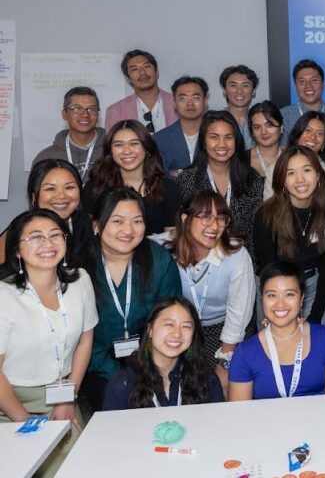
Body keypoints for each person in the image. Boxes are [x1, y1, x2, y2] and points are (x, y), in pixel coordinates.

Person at [0, 210, 96, 477]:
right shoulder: (4, 296)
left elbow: (85, 340)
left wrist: (68, 397)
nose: (47, 244)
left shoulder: (80, 281)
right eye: (35, 237)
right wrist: (26, 421)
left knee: (81, 467)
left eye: (55, 235)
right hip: (10, 403)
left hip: (63, 394)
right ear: (17, 251)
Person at [81, 188, 182, 411]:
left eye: (137, 221)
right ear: (96, 225)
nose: (128, 230)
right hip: (96, 365)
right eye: (117, 221)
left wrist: (144, 369)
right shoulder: (80, 266)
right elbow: (79, 334)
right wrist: (117, 375)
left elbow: (171, 319)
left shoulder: (159, 261)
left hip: (154, 360)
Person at [169, 192, 255, 388]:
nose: (214, 226)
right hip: (184, 329)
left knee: (224, 386)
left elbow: (238, 313)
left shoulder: (236, 256)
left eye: (221, 218)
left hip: (225, 329)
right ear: (185, 219)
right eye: (206, 217)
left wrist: (225, 360)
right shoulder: (166, 251)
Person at [228, 261, 325, 399]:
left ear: (301, 299)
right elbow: (241, 415)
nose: (280, 304)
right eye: (272, 295)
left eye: (289, 294)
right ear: (262, 299)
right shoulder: (245, 353)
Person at [254, 147, 325, 324]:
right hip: (276, 287)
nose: (300, 179)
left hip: (315, 286)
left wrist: (315, 316)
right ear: (282, 181)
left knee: (315, 343)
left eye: (307, 170)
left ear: (318, 175)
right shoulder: (266, 215)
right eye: (291, 173)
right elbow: (268, 266)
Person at [102, 296, 224, 409]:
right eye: (169, 324)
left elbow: (217, 426)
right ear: (150, 329)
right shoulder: (123, 384)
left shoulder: (206, 378)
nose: (177, 333)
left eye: (186, 326)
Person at [177, 111, 264, 257]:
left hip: (243, 262)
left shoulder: (252, 179)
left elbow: (257, 232)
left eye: (228, 137)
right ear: (204, 142)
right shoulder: (187, 180)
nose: (222, 144)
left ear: (236, 141)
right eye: (214, 137)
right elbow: (183, 230)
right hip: (199, 262)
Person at [83, 120, 181, 236]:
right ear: (110, 151)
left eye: (134, 143)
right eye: (118, 145)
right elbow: (87, 234)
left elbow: (172, 239)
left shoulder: (169, 189)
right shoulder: (95, 187)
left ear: (147, 148)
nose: (127, 151)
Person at [0, 160, 93, 268]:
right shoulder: (20, 230)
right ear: (34, 195)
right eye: (50, 189)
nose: (61, 196)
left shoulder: (88, 225)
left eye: (69, 187)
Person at [33, 86, 104, 185]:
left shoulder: (112, 151)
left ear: (98, 114)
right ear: (64, 114)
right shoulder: (46, 157)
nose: (85, 114)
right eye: (77, 108)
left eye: (92, 109)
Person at [277, 111, 325, 211]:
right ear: (297, 134)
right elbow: (271, 214)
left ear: (324, 143)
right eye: (308, 130)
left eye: (320, 133)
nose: (313, 137)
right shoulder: (276, 168)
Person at [104, 50, 177, 132]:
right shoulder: (115, 111)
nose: (142, 72)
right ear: (128, 79)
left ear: (157, 72)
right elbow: (112, 143)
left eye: (146, 66)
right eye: (134, 69)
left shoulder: (177, 102)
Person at [279, 59, 325, 144]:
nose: (308, 86)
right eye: (302, 81)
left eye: (314, 80)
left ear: (323, 84)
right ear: (295, 86)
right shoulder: (282, 117)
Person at [154, 76, 208, 175]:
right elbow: (158, 176)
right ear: (174, 103)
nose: (190, 103)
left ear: (205, 101)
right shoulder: (160, 139)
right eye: (183, 98)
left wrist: (178, 173)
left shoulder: (217, 135)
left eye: (196, 98)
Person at [220, 65, 259, 146]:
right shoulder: (215, 121)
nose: (239, 91)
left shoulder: (260, 121)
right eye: (233, 85)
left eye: (245, 85)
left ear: (254, 91)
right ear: (224, 91)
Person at [248, 100, 284, 181]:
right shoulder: (241, 161)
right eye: (257, 127)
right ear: (252, 132)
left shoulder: (292, 157)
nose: (263, 132)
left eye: (269, 125)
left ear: (281, 127)